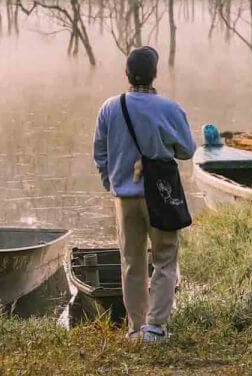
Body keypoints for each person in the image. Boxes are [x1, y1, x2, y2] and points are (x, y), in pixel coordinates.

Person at [93, 45, 196, 343]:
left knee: (131, 262)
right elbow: (187, 150)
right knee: (165, 258)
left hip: (124, 198)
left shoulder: (110, 107)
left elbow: (100, 154)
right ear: (155, 74)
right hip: (160, 196)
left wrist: (112, 183)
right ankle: (156, 327)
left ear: (126, 73)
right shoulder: (170, 108)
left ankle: (135, 327)